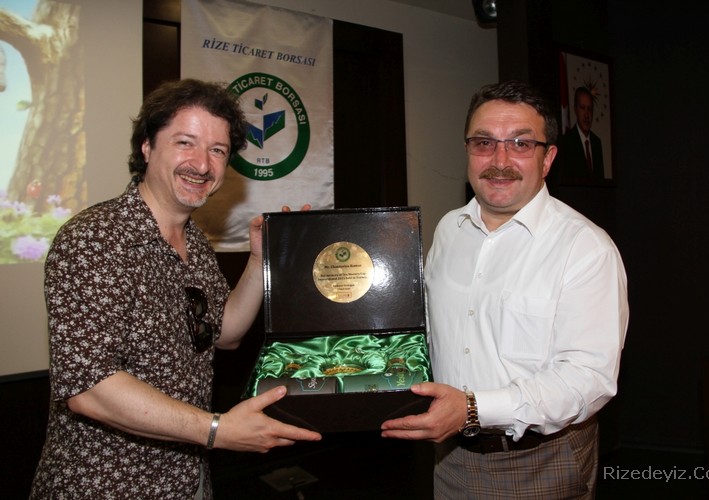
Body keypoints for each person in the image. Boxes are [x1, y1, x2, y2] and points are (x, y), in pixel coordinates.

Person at [31, 79, 321, 498]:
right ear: (147, 146)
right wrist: (217, 429)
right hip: (106, 485)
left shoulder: (196, 242)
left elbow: (225, 333)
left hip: (187, 478)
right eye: (186, 143)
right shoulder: (94, 238)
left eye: (217, 150)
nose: (202, 165)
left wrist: (262, 258)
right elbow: (89, 390)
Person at [381, 81, 628, 499]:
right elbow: (425, 334)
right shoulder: (448, 230)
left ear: (548, 158)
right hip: (448, 456)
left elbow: (587, 378)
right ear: (467, 150)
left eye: (520, 144)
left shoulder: (585, 248)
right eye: (484, 143)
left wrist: (472, 409)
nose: (499, 161)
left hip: (539, 462)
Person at [559, 86, 605, 181]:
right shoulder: (566, 142)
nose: (586, 115)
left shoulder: (596, 142)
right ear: (575, 109)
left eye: (589, 109)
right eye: (582, 108)